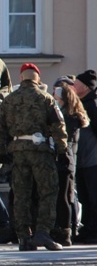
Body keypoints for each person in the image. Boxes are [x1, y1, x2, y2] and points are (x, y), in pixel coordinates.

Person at [0, 63, 67, 251]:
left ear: (21, 78)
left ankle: (24, 237)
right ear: (38, 79)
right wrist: (61, 149)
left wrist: (1, 152)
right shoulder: (46, 98)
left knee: (21, 194)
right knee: (47, 192)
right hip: (40, 151)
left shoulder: (9, 100)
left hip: (18, 152)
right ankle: (43, 232)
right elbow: (59, 126)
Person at [52, 82, 89, 246]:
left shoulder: (69, 117)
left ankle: (66, 230)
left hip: (65, 160)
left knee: (65, 197)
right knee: (66, 197)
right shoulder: (72, 115)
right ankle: (68, 229)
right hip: (68, 160)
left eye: (56, 98)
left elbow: (64, 140)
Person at [72, 69, 97, 244]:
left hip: (92, 160)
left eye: (77, 83)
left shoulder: (92, 105)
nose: (74, 85)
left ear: (85, 86)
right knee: (84, 197)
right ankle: (88, 228)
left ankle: (93, 230)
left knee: (93, 196)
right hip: (82, 160)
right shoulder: (81, 103)